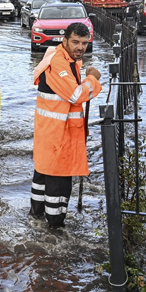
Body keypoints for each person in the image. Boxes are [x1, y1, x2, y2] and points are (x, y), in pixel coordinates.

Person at [29, 22, 102, 228]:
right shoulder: (59, 63)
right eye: (76, 42)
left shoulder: (65, 58)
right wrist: (92, 79)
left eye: (84, 43)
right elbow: (76, 95)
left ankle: (37, 222)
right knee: (57, 185)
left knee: (43, 176)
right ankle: (54, 231)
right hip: (57, 136)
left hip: (53, 133)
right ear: (65, 40)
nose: (80, 47)